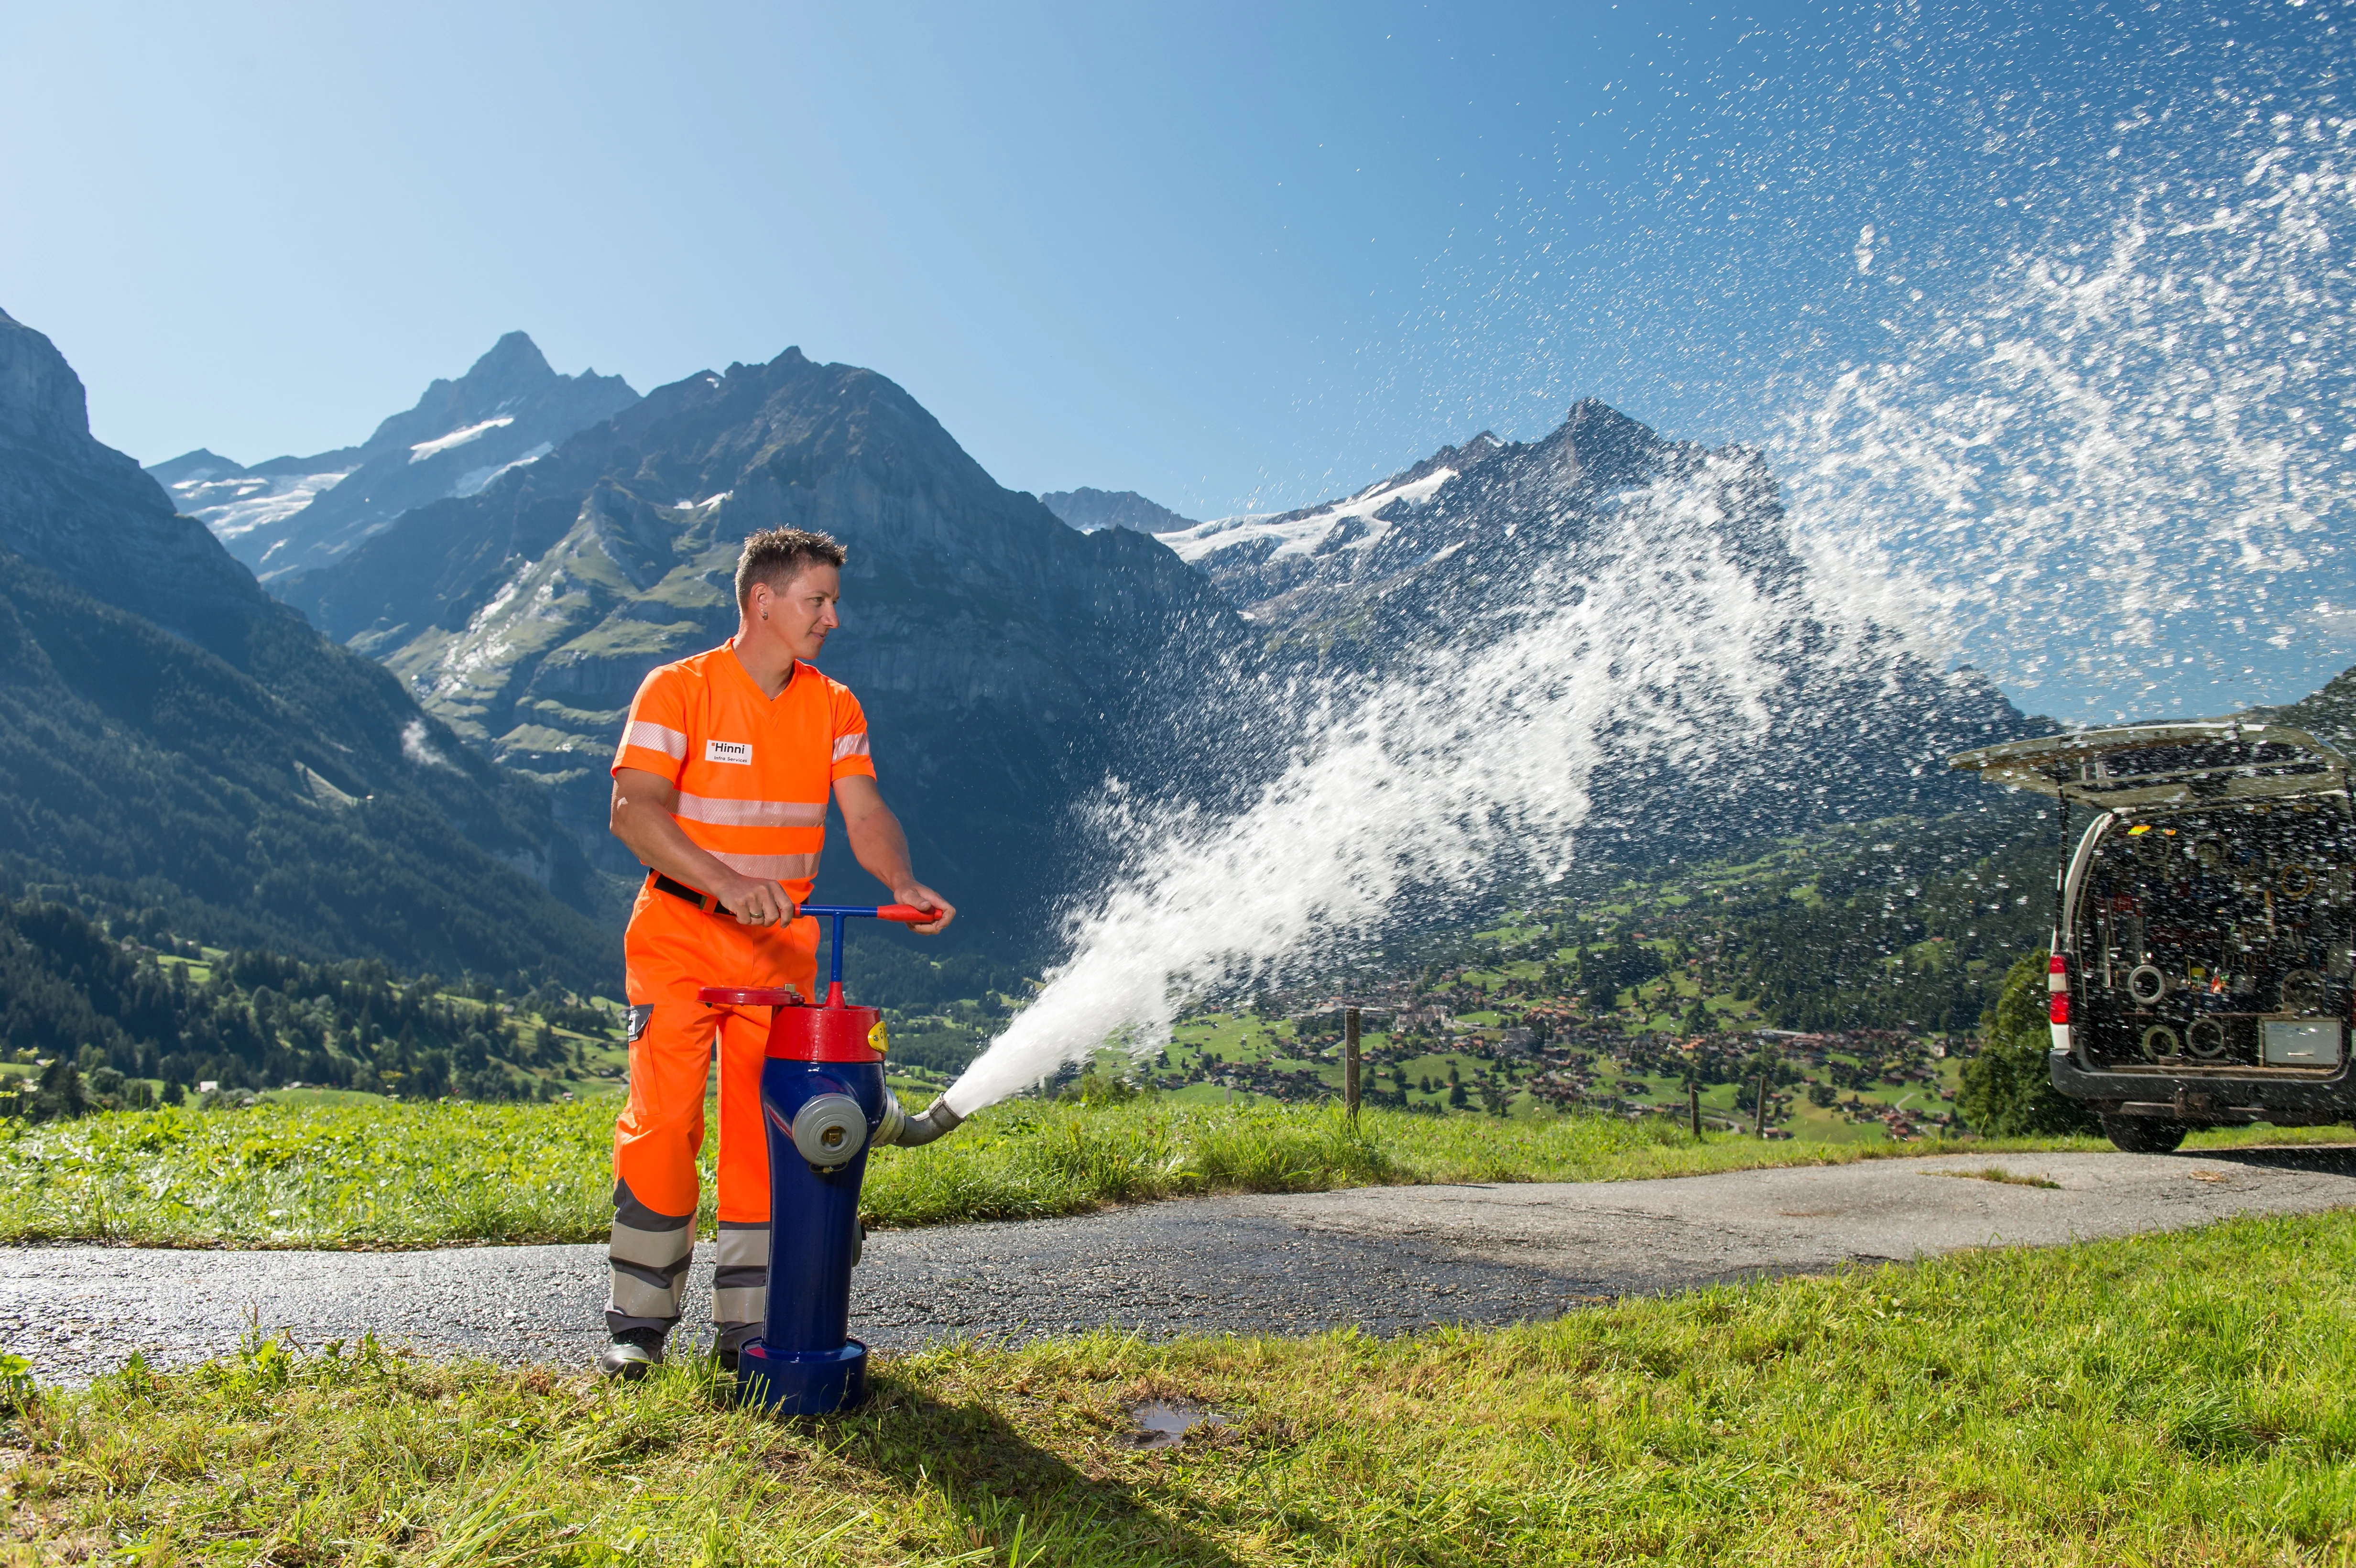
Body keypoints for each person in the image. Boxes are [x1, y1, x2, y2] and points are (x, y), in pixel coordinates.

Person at [599, 526, 953, 1379]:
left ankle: (749, 1334)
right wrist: (721, 880)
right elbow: (634, 812)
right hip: (681, 937)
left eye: (833, 601)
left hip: (779, 954)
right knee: (666, 1122)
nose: (833, 617)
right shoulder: (678, 689)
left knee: (773, 1136)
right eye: (817, 600)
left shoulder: (834, 705)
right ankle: (638, 1329)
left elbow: (863, 812)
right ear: (764, 600)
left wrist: (900, 879)